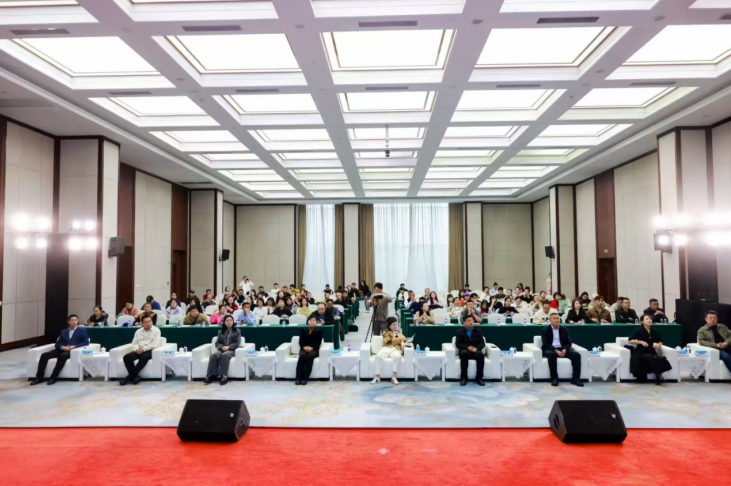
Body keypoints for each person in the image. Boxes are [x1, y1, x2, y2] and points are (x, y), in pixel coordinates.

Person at [31, 314, 89, 386]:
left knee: (62, 356)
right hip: (62, 349)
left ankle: (53, 377)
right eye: (72, 320)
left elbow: (86, 342)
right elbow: (57, 344)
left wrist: (74, 346)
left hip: (73, 351)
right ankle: (39, 378)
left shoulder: (82, 330)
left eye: (75, 320)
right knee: (44, 355)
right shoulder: (64, 331)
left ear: (77, 321)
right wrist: (62, 347)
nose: (74, 322)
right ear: (68, 322)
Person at [541, 313, 584, 387]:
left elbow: (568, 342)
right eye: (554, 318)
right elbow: (546, 344)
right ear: (550, 320)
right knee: (551, 355)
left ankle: (576, 379)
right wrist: (556, 350)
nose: (557, 320)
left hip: (562, 348)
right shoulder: (545, 330)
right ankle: (554, 378)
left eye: (558, 318)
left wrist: (565, 349)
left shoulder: (564, 329)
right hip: (550, 349)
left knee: (577, 355)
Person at [628, 314, 673, 385]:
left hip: (651, 350)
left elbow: (660, 341)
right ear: (642, 321)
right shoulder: (638, 330)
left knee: (659, 358)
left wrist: (658, 345)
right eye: (647, 319)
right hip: (641, 351)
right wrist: (641, 342)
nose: (649, 320)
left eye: (650, 319)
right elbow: (630, 340)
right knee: (651, 358)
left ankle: (658, 375)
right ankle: (658, 375)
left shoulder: (655, 331)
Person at [119, 315, 162, 385]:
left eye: (149, 321)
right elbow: (134, 343)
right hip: (139, 349)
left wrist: (143, 349)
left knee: (143, 357)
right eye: (146, 322)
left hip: (150, 350)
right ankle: (135, 377)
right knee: (127, 357)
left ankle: (128, 378)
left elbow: (155, 344)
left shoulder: (156, 330)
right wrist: (137, 349)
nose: (148, 323)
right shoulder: (138, 331)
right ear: (142, 323)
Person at [204, 314, 241, 385]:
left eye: (231, 320)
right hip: (222, 349)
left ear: (233, 321)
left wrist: (228, 347)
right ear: (224, 322)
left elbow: (237, 343)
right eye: (227, 321)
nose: (229, 322)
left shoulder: (237, 331)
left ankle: (224, 376)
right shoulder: (221, 331)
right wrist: (221, 347)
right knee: (214, 355)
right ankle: (211, 375)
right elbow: (217, 343)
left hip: (231, 350)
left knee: (224, 355)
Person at [371, 317, 407, 385]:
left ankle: (394, 377)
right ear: (389, 326)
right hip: (386, 348)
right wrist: (400, 339)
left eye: (396, 324)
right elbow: (389, 340)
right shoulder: (386, 332)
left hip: (396, 349)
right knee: (378, 356)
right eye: (393, 325)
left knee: (397, 357)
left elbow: (404, 338)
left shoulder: (399, 332)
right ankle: (377, 376)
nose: (395, 326)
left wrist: (406, 339)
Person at [455, 315, 485, 386]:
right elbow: (458, 344)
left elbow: (482, 343)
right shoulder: (460, 331)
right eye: (468, 321)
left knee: (480, 355)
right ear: (464, 322)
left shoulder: (478, 331)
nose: (471, 322)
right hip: (465, 350)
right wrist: (467, 347)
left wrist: (476, 348)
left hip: (475, 350)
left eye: (472, 320)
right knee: (464, 353)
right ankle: (464, 378)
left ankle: (479, 378)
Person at [296, 316, 322, 385]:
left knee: (310, 356)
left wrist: (312, 348)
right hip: (304, 348)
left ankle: (305, 378)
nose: (312, 322)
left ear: (316, 322)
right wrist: (304, 347)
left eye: (313, 320)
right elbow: (300, 341)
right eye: (310, 320)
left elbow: (318, 342)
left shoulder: (319, 331)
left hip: (314, 349)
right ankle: (298, 378)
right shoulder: (303, 330)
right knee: (302, 356)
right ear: (308, 322)